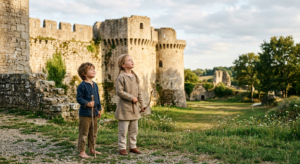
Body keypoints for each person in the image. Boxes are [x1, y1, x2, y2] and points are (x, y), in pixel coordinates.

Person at [115, 54, 146, 155]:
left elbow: (139, 92)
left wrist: (142, 104)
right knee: (123, 130)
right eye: (129, 60)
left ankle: (133, 146)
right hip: (124, 108)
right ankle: (122, 147)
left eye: (132, 59)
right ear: (123, 65)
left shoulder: (135, 76)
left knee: (134, 130)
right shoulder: (121, 77)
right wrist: (131, 98)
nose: (132, 61)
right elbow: (119, 92)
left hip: (135, 109)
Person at [76, 62, 102, 158]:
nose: (93, 70)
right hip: (85, 113)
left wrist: (99, 109)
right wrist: (87, 103)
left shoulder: (95, 85)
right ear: (84, 73)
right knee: (84, 133)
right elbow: (79, 98)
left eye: (94, 69)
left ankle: (92, 149)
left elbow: (97, 98)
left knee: (93, 132)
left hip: (94, 113)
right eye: (91, 69)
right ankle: (82, 151)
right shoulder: (82, 86)